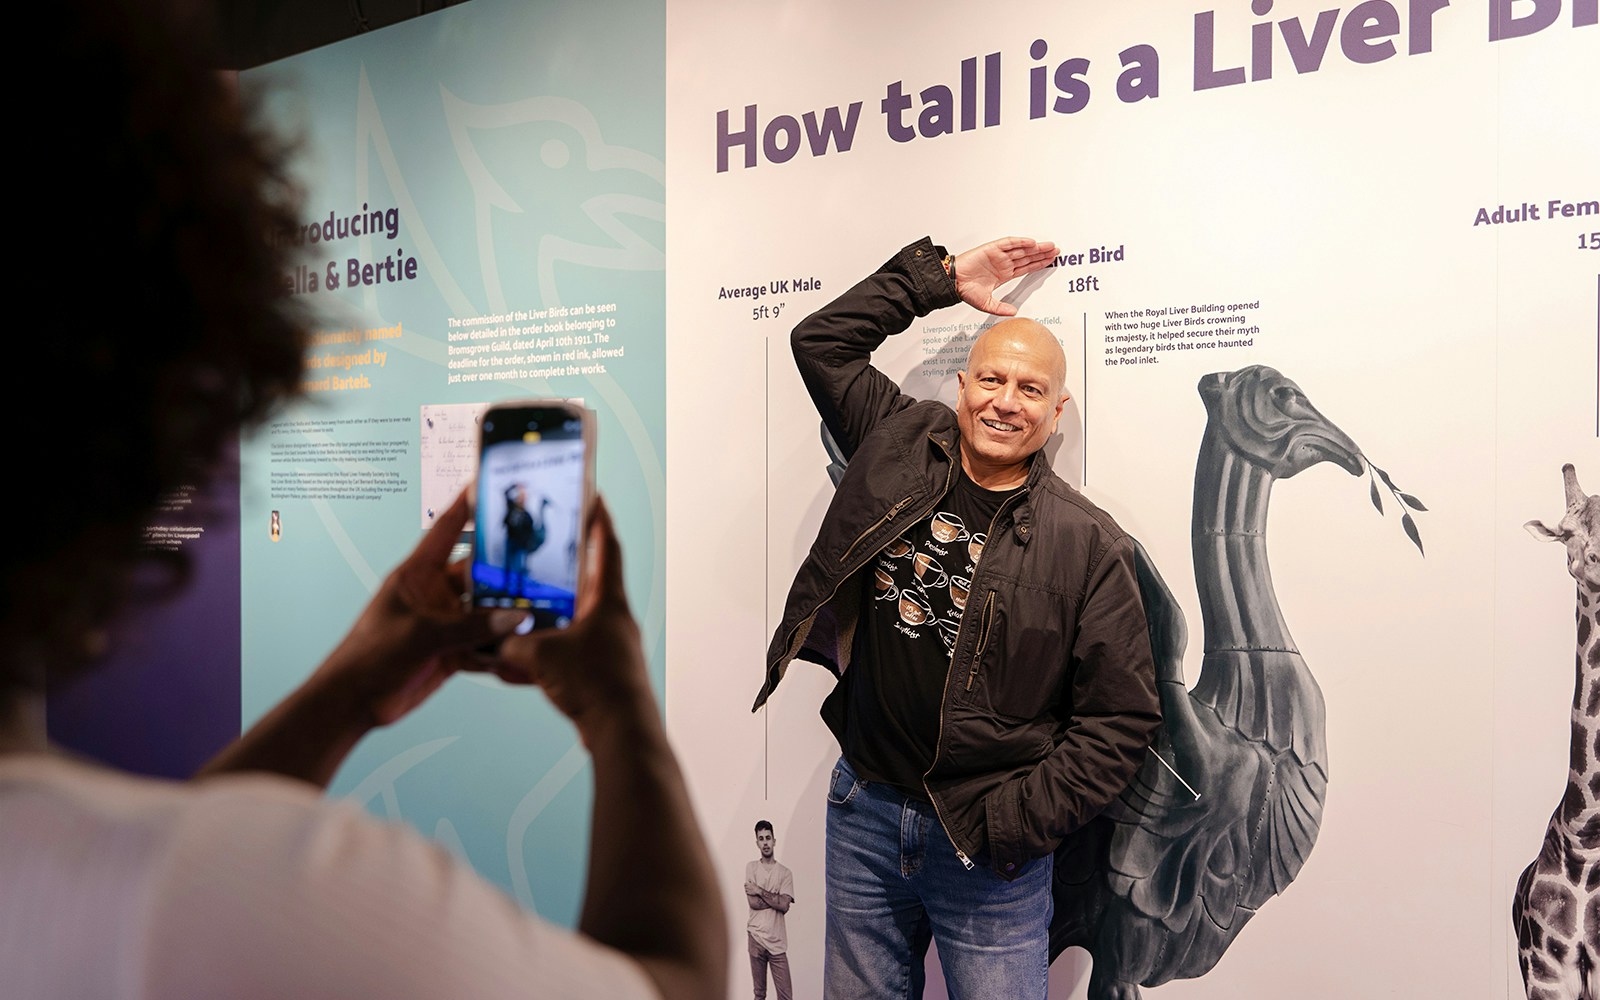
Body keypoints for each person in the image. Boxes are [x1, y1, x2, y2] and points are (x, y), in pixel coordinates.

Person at [0, 4, 724, 999]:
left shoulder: (145, 887)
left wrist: (346, 688)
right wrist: (619, 702)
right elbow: (671, 980)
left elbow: (158, 872)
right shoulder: (228, 899)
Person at [752, 236, 1161, 999]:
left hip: (987, 846)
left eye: (1031, 389)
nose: (1006, 401)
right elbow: (821, 341)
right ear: (964, 384)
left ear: (1057, 408)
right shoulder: (899, 439)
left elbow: (1120, 721)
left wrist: (1012, 824)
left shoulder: (1091, 544)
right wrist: (936, 280)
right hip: (866, 811)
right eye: (993, 379)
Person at [745, 819, 796, 1000]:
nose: (765, 842)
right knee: (759, 994)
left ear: (774, 840)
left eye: (768, 838)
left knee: (785, 996)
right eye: (761, 839)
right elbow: (753, 903)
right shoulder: (751, 868)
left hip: (777, 942)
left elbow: (784, 905)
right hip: (756, 938)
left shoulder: (785, 873)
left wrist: (759, 890)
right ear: (757, 843)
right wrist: (778, 899)